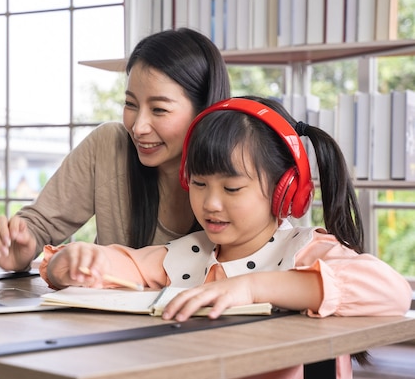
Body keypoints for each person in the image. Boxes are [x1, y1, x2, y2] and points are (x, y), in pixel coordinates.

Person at [39, 96, 412, 379]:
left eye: (232, 189)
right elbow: (128, 264)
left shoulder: (305, 251)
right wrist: (72, 262)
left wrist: (250, 288)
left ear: (284, 191)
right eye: (199, 184)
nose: (211, 203)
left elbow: (393, 292)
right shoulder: (192, 252)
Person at [0, 28, 231, 272]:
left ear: (204, 111)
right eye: (130, 104)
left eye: (159, 109)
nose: (138, 127)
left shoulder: (242, 164)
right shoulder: (109, 145)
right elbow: (39, 224)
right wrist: (21, 245)